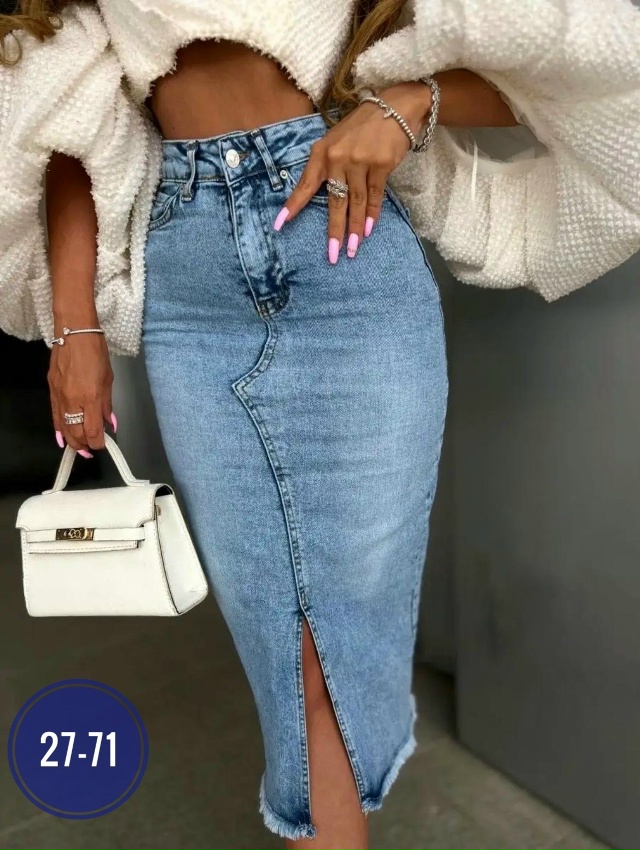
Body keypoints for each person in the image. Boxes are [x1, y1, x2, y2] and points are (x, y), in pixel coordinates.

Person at [1, 1, 639, 846]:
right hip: (191, 291)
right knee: (284, 649)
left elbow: (579, 65)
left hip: (348, 267)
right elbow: (66, 108)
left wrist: (411, 104)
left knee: (340, 643)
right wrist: (73, 328)